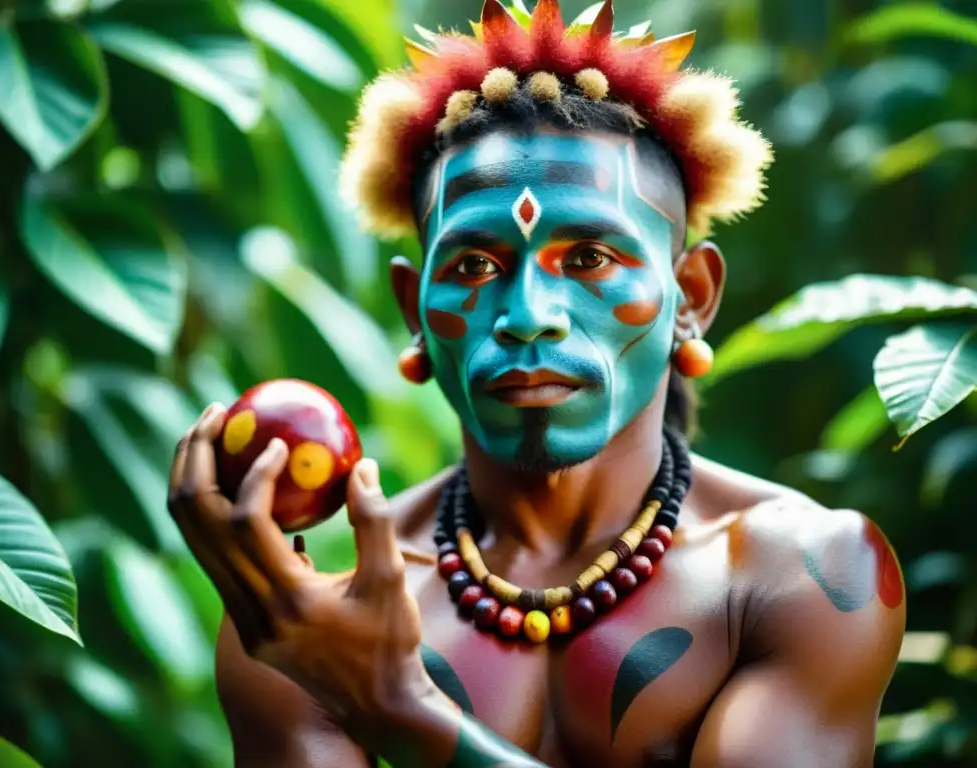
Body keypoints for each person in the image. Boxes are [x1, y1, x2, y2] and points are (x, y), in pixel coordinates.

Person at [167, 1, 906, 765]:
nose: (527, 317)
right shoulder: (311, 619)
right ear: (413, 310)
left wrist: (405, 711)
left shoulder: (805, 575)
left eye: (589, 259)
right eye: (473, 267)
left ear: (690, 296)